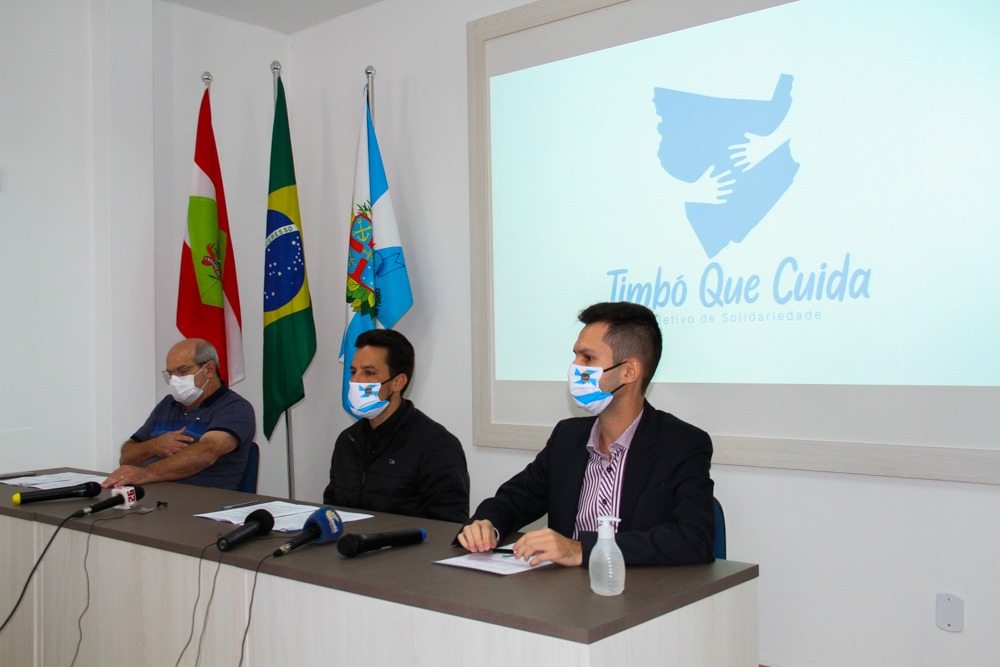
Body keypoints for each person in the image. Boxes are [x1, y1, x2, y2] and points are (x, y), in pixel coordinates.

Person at [457, 302, 715, 567]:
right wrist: (487, 525)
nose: (574, 367)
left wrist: (580, 550)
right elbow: (514, 500)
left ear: (629, 371)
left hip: (639, 589)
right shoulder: (568, 437)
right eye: (575, 356)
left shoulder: (682, 444)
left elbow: (695, 539)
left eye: (588, 358)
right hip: (566, 590)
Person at [323, 329, 470, 522]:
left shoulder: (437, 446)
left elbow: (449, 525)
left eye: (369, 373)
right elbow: (332, 512)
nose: (355, 381)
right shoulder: (348, 440)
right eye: (353, 372)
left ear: (397, 382)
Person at [102, 338, 256, 490]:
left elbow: (207, 453)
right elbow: (126, 457)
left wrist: (146, 473)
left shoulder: (235, 408)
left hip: (202, 500)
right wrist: (153, 446)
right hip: (151, 497)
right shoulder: (168, 404)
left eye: (182, 371)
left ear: (209, 369)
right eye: (170, 374)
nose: (174, 379)